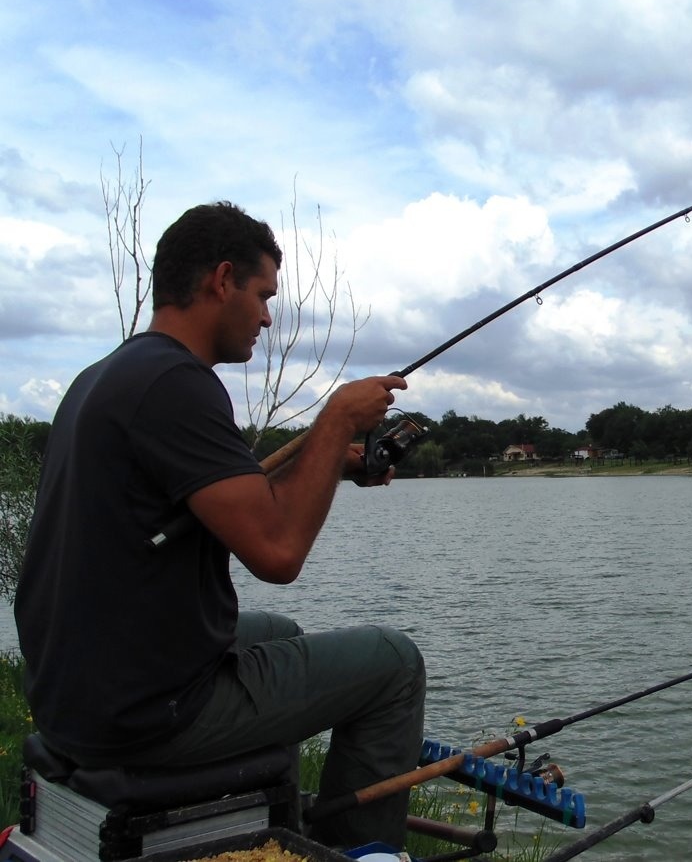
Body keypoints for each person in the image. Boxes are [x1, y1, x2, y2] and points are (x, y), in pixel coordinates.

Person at [14, 202, 425, 850]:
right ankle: (359, 850)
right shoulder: (180, 384)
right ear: (222, 279)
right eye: (262, 295)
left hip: (82, 690)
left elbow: (248, 505)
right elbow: (279, 551)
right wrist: (340, 418)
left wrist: (333, 465)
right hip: (145, 712)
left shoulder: (106, 377)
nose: (266, 316)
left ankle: (272, 827)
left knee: (280, 634)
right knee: (393, 662)